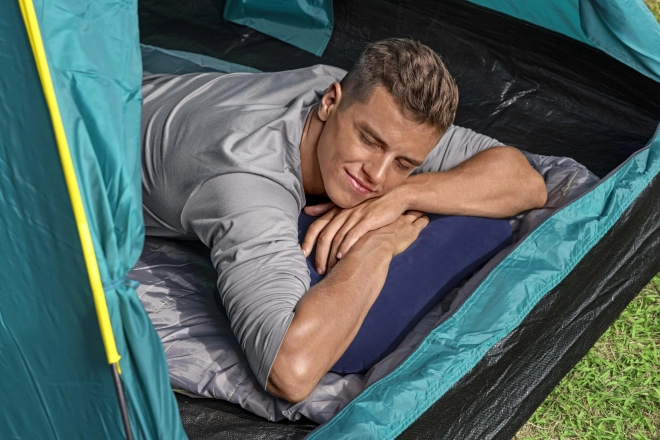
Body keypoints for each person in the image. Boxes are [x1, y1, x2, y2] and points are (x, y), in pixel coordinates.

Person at [140, 38, 547, 403]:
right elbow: (290, 372)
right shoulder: (246, 183)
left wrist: (402, 195)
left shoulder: (366, 101)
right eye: (369, 141)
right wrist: (377, 246)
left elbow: (526, 183)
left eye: (404, 163)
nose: (377, 175)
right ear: (330, 102)